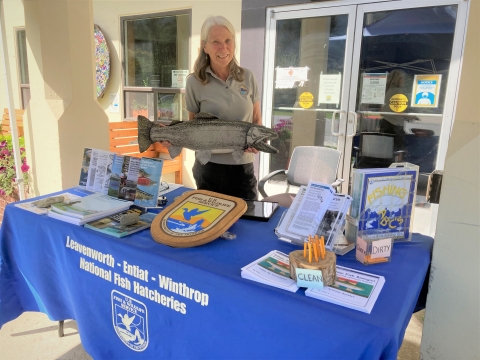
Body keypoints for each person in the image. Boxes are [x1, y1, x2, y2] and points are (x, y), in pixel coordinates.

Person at [184, 16, 262, 200]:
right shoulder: (194, 82)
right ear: (205, 46)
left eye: (228, 41)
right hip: (209, 168)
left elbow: (256, 120)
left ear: (234, 42)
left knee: (247, 222)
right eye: (216, 42)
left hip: (242, 168)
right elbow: (192, 127)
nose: (223, 47)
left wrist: (256, 142)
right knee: (210, 224)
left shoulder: (248, 77)